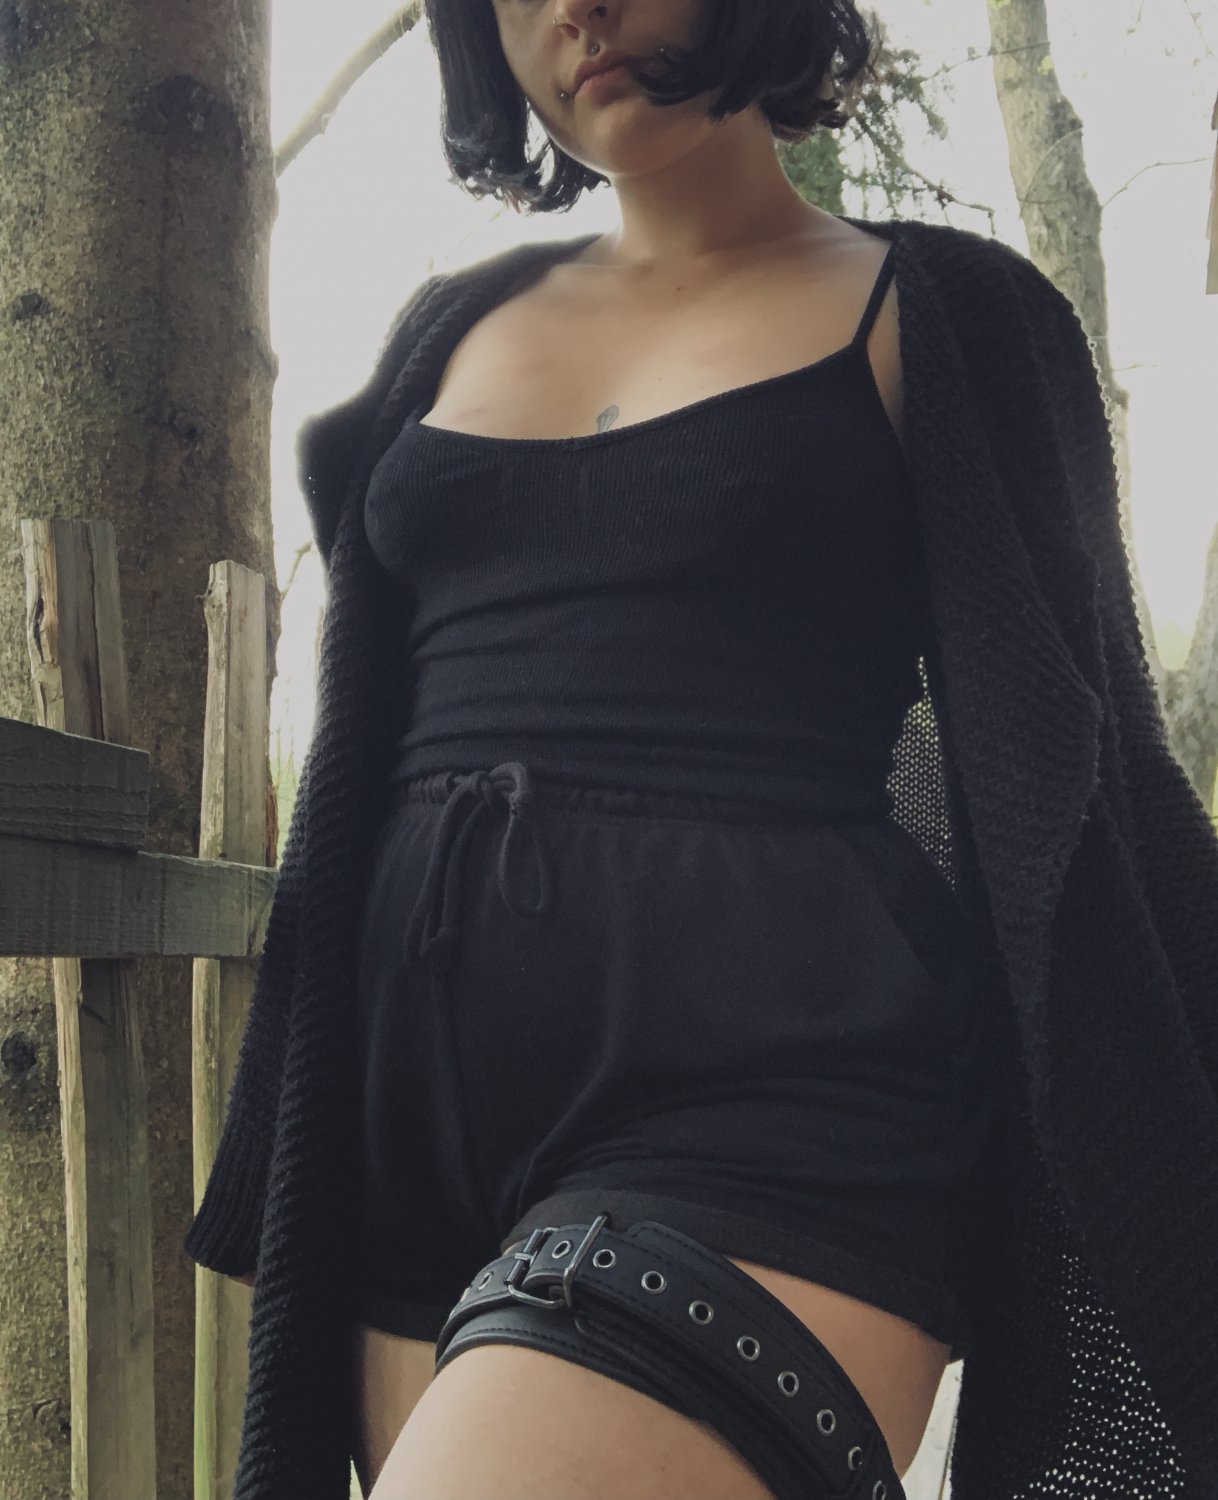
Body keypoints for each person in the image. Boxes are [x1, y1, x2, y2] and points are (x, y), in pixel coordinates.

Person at [185, 1, 1218, 1497]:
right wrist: (286, 1132)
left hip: (772, 1101)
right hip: (406, 1123)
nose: (571, 9)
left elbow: (1091, 777)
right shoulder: (442, 332)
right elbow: (357, 764)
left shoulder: (945, 311)